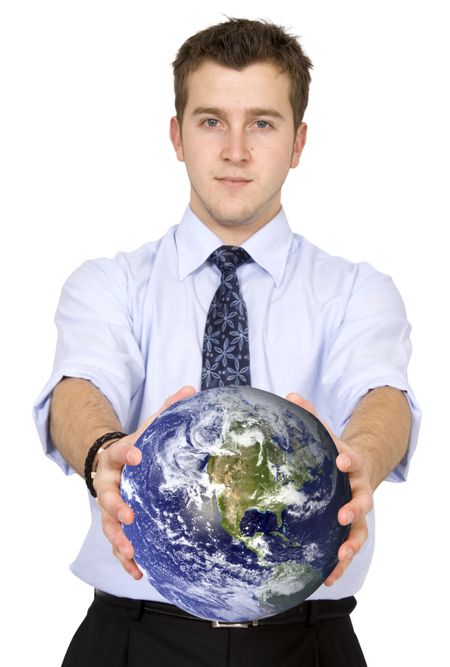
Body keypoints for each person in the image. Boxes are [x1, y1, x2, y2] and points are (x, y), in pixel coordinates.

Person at [33, 17, 420, 667]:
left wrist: (360, 461)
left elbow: (383, 392)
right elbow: (83, 382)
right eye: (212, 120)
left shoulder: (358, 290)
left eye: (262, 123)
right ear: (177, 136)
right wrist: (105, 451)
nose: (235, 149)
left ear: (298, 142)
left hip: (308, 638)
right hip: (132, 636)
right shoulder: (111, 283)